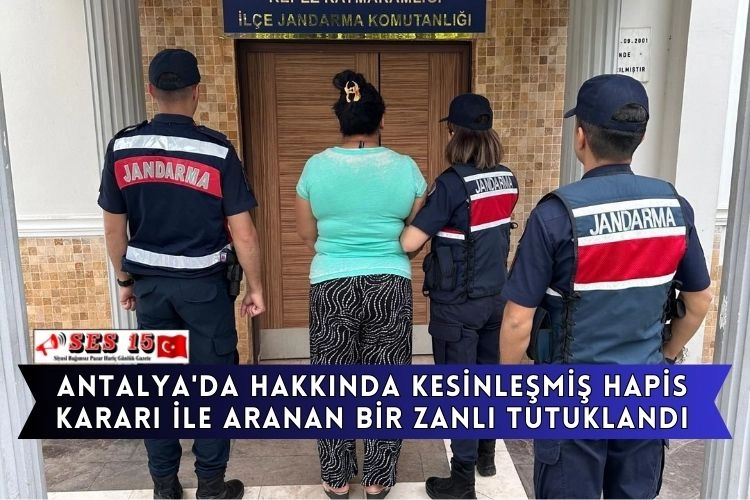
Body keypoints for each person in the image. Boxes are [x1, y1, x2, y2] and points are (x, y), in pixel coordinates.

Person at [499, 74, 713, 499]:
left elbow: (518, 320)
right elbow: (699, 301)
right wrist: (666, 356)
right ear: (640, 136)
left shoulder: (556, 214)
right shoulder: (674, 206)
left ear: (581, 137)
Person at [98, 48, 265, 500]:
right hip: (205, 292)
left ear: (151, 90)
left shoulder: (123, 147)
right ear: (197, 92)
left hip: (151, 291)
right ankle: (210, 485)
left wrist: (125, 281)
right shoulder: (216, 149)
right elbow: (243, 231)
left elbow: (113, 228)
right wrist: (255, 287)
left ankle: (164, 486)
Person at [296, 69, 426, 500]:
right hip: (389, 282)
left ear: (340, 120)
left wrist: (337, 252)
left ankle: (336, 477)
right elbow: (413, 235)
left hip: (330, 283)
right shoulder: (406, 168)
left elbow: (306, 234)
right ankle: (377, 478)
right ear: (380, 120)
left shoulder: (315, 167)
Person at [400, 93, 519, 499]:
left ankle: (462, 480)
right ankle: (486, 456)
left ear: (453, 133)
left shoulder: (451, 185)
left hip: (457, 308)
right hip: (495, 300)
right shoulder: (507, 178)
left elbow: (410, 242)